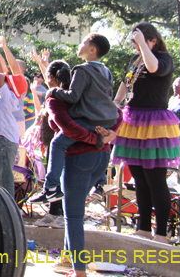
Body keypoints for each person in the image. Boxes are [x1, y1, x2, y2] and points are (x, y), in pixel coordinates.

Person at [112, 22, 180, 243]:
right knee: (139, 179)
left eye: (141, 40)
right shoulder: (136, 60)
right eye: (135, 42)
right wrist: (116, 102)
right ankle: (143, 228)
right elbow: (126, 81)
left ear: (153, 40)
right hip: (133, 120)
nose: (137, 46)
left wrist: (143, 45)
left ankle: (161, 233)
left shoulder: (164, 59)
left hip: (156, 122)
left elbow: (153, 69)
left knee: (156, 179)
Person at [31, 33, 120, 204]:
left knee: (57, 143)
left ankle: (51, 187)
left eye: (84, 42)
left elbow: (73, 96)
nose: (80, 45)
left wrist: (54, 91)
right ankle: (101, 183)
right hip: (105, 120)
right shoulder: (106, 71)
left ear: (92, 50)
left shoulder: (81, 70)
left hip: (87, 118)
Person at [59, 116, 122, 277]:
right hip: (102, 155)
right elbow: (119, 113)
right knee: (74, 210)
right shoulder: (100, 95)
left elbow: (58, 123)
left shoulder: (65, 97)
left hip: (78, 155)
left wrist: (98, 136)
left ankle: (79, 271)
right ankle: (68, 260)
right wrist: (109, 133)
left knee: (73, 216)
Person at [31, 60, 72, 229]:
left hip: (62, 142)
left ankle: (62, 215)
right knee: (52, 177)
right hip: (52, 142)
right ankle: (53, 212)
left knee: (61, 179)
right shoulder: (60, 92)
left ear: (50, 77)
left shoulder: (61, 94)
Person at [0, 38, 27, 199]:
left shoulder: (9, 95)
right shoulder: (4, 93)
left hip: (4, 141)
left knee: (4, 179)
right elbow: (1, 74)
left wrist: (2, 50)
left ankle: (7, 210)